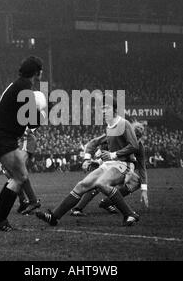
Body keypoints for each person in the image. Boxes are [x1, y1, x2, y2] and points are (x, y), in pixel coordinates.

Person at [36, 95, 140, 227]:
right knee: (82, 185)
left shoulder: (124, 124)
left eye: (105, 108)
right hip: (109, 165)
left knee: (102, 183)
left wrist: (114, 154)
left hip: (122, 165)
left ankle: (129, 214)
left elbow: (134, 146)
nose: (102, 111)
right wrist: (87, 159)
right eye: (101, 108)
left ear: (114, 109)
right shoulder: (109, 126)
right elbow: (92, 143)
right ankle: (54, 217)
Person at [0, 56, 44, 231]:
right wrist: (42, 110)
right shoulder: (25, 87)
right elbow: (33, 122)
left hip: (1, 137)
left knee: (18, 176)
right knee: (20, 177)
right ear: (36, 72)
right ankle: (0, 220)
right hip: (4, 138)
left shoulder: (17, 84)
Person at [70, 121, 149, 216]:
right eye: (134, 135)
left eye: (138, 137)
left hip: (120, 166)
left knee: (135, 181)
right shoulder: (117, 135)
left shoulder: (138, 146)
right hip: (108, 163)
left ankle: (107, 203)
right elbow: (100, 146)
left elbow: (142, 167)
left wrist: (144, 190)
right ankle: (78, 208)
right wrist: (95, 160)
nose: (135, 139)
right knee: (97, 184)